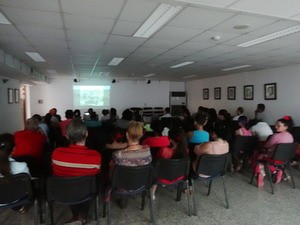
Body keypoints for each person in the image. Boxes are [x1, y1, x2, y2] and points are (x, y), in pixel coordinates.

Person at [52, 118, 102, 224]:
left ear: (66, 136)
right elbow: (96, 174)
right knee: (87, 184)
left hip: (62, 191)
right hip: (86, 191)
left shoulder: (56, 153)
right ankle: (80, 217)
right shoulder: (95, 156)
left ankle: (78, 217)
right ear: (87, 134)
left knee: (73, 185)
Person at [253, 117, 294, 188]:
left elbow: (266, 146)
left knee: (256, 156)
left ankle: (260, 172)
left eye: (278, 125)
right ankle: (276, 171)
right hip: (285, 159)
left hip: (273, 158)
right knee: (264, 157)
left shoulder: (276, 136)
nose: (275, 127)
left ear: (286, 127)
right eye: (276, 125)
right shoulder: (290, 136)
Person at [151, 127, 189, 200]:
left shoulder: (164, 150)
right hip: (179, 176)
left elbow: (156, 162)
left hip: (161, 176)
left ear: (170, 139)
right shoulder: (186, 151)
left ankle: (152, 193)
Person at [0, 133, 30, 213]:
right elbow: (28, 186)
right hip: (17, 198)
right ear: (14, 149)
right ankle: (19, 207)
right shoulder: (22, 166)